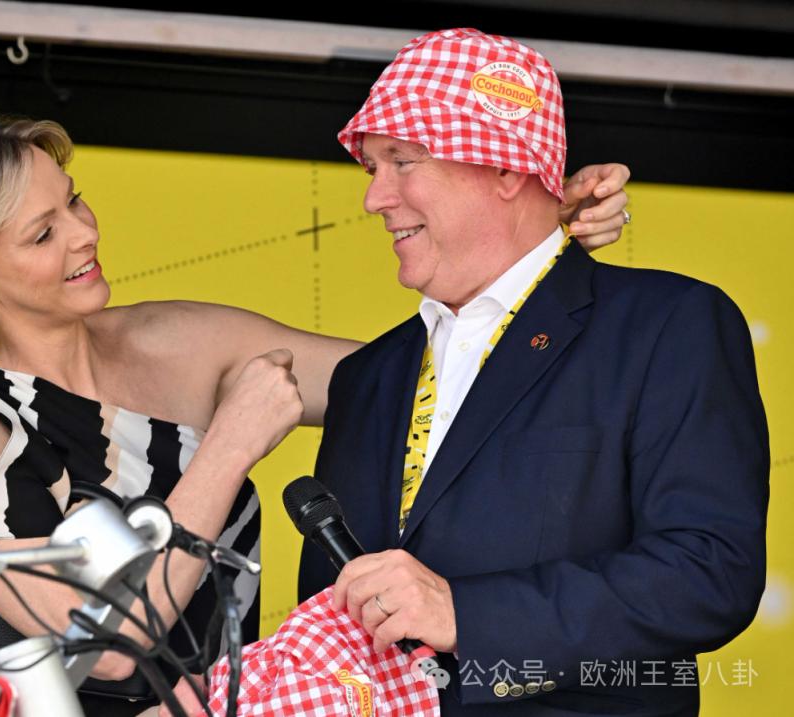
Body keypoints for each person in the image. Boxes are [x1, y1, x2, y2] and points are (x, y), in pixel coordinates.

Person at [0, 111, 630, 716]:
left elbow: (436, 383)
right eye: (43, 233)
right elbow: (104, 643)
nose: (84, 233)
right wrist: (230, 445)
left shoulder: (178, 338)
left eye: (74, 200)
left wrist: (526, 237)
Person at [297, 28, 769, 715]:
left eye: (402, 160)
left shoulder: (667, 323)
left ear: (506, 169)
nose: (375, 198)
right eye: (372, 167)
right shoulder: (367, 376)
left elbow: (709, 571)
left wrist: (466, 612)